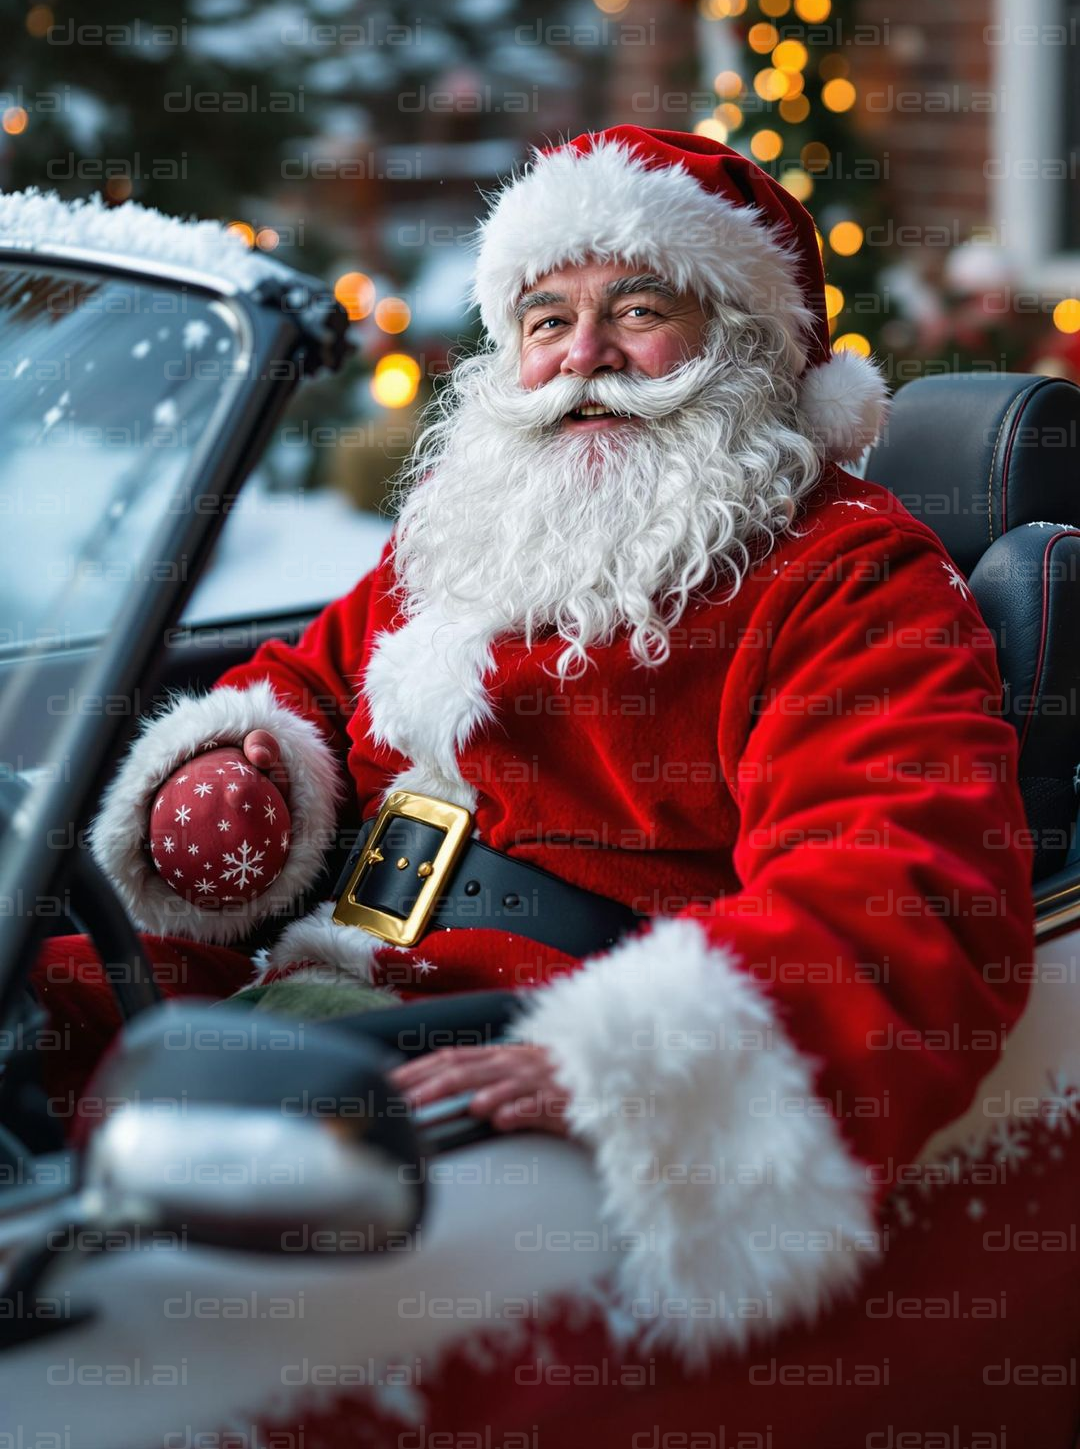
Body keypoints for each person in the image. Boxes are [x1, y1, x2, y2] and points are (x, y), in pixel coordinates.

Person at [32, 123, 1035, 1383]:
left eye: (638, 308)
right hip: (323, 976)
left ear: (752, 345)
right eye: (546, 319)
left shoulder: (848, 578)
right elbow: (310, 672)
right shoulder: (475, 530)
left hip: (502, 1049)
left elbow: (906, 880)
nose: (584, 358)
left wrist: (617, 1061)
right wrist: (244, 763)